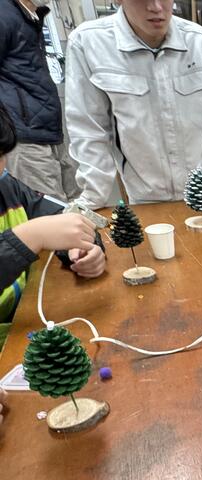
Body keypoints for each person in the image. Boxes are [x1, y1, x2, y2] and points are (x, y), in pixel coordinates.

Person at [65, 0, 202, 208]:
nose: (156, 7)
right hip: (146, 201)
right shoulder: (89, 44)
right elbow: (89, 133)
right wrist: (92, 200)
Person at [0, 103, 105, 347]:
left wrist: (81, 248)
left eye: (1, 155)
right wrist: (28, 238)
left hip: (23, 325)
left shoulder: (8, 188)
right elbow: (34, 234)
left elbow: (65, 215)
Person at [0, 0, 79, 200]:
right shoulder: (4, 14)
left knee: (77, 204)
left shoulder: (30, 17)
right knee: (49, 209)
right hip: (25, 136)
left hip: (48, 131)